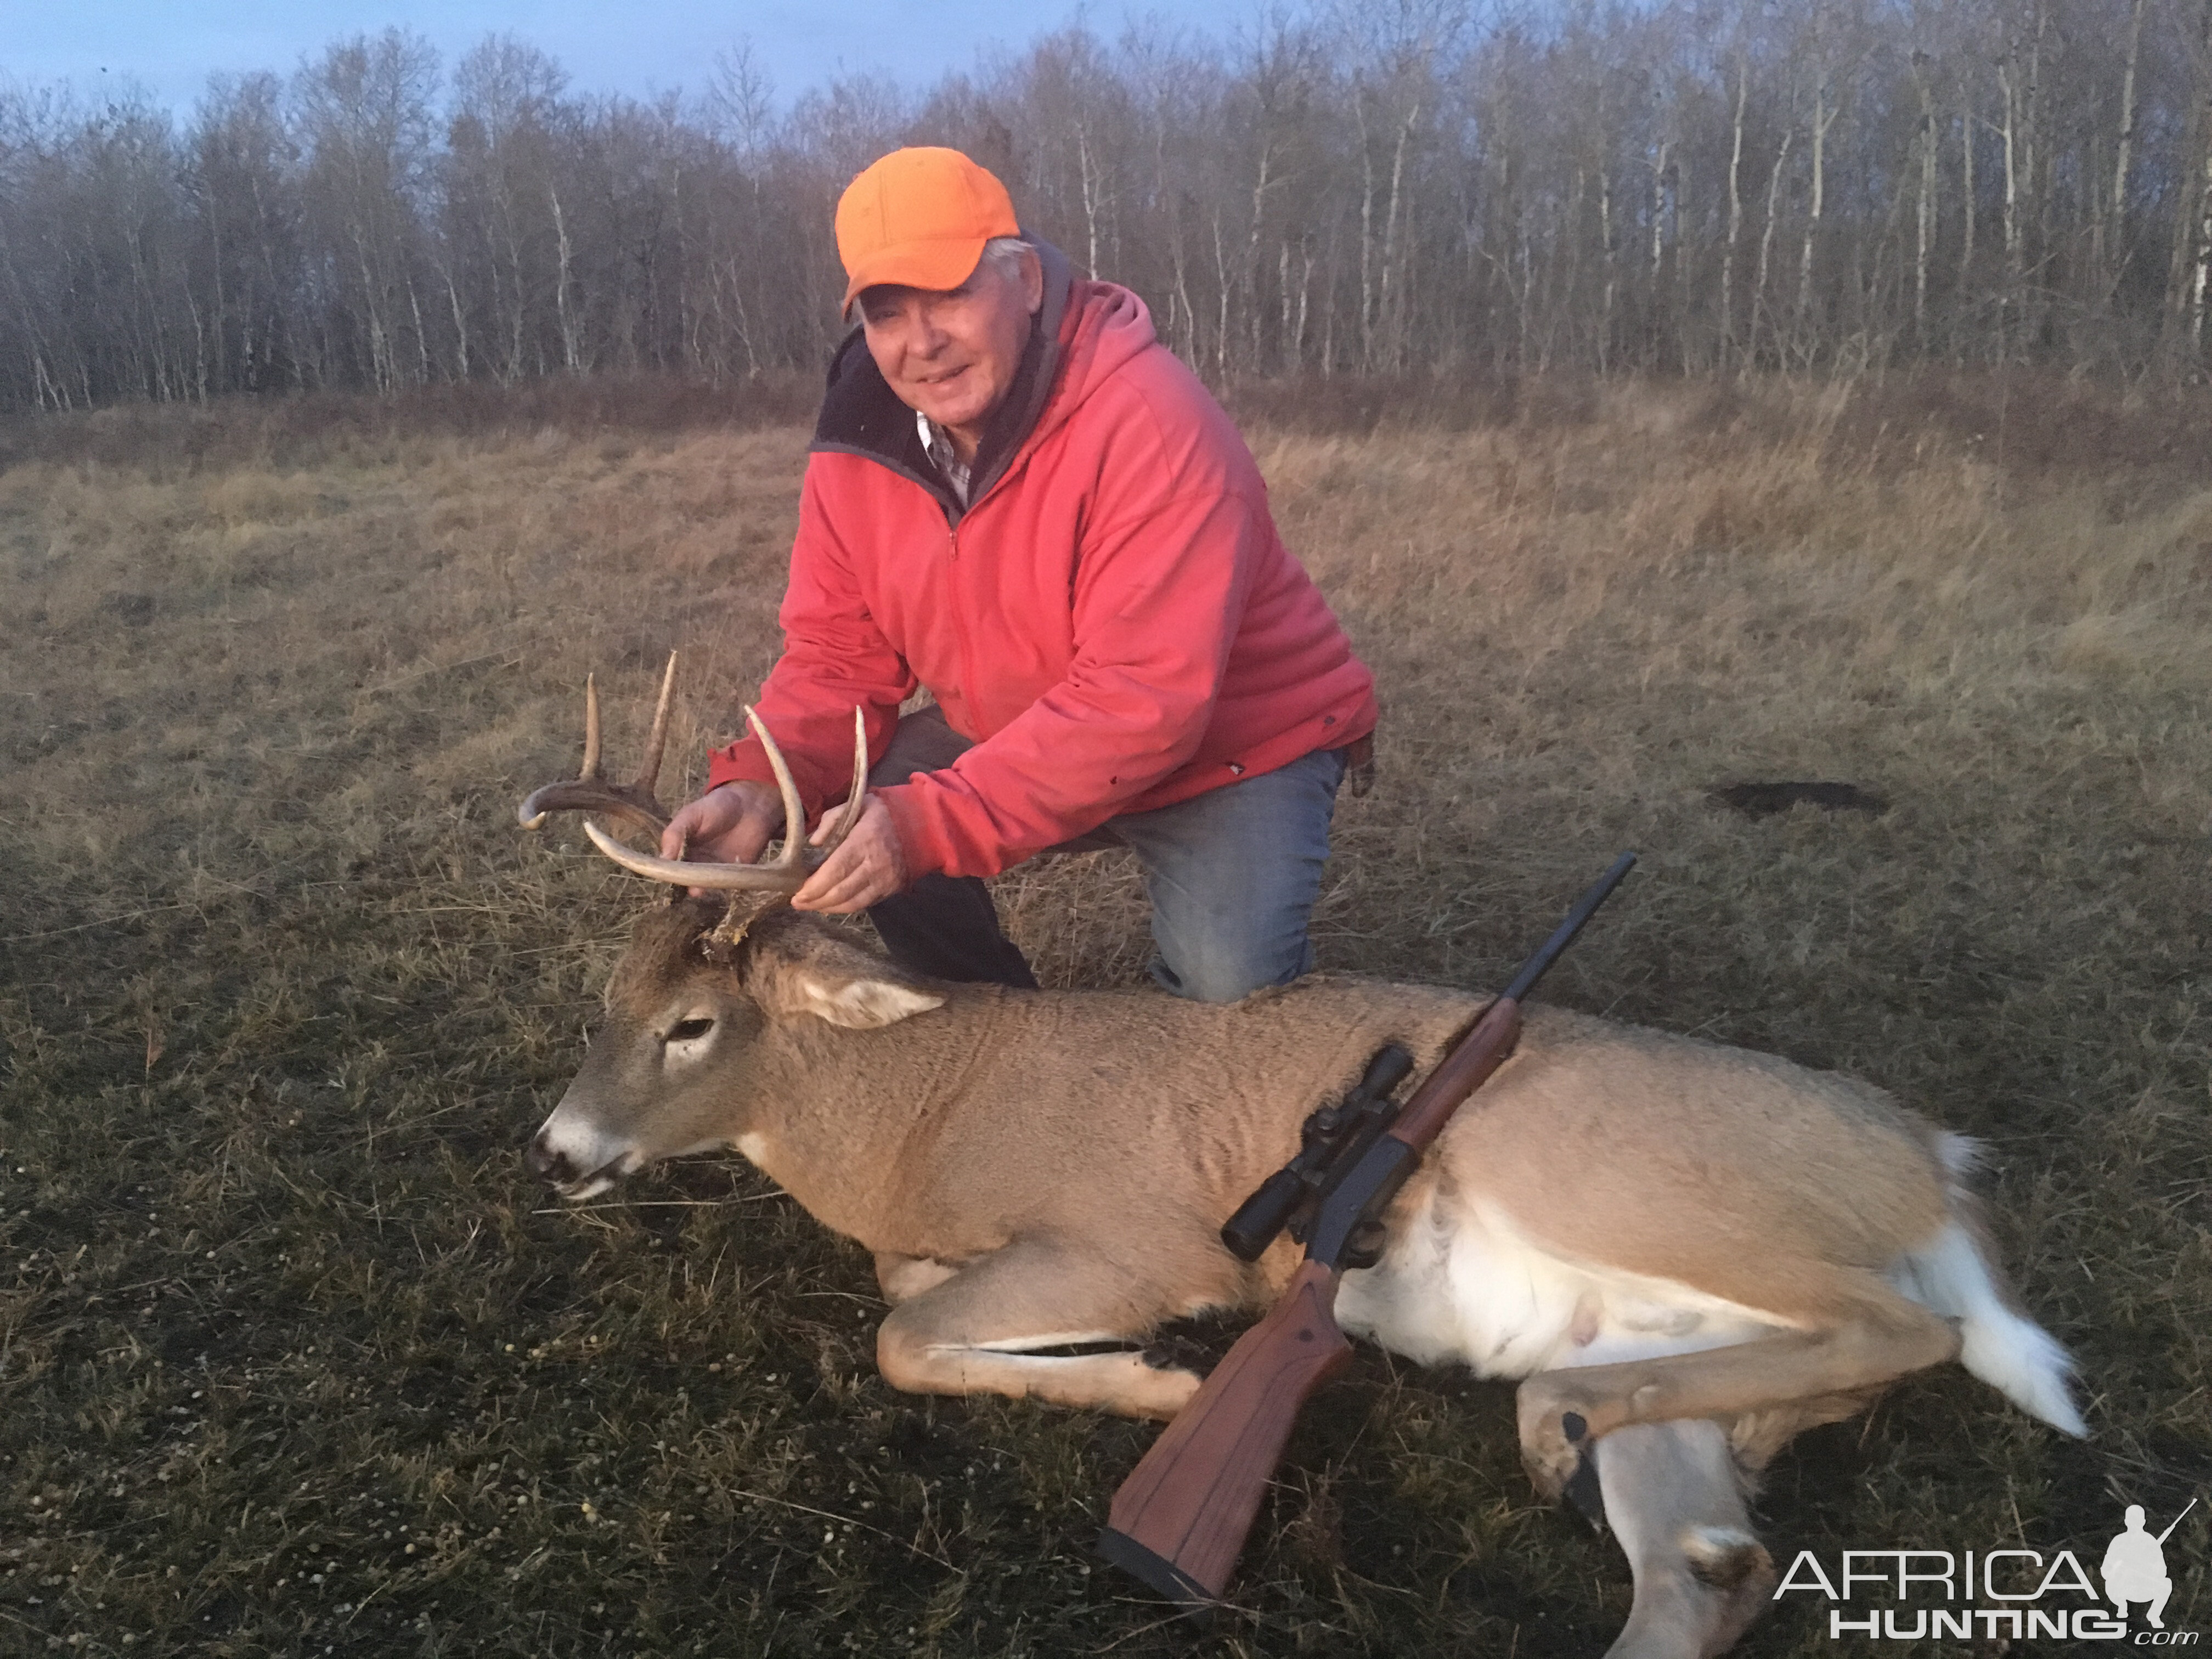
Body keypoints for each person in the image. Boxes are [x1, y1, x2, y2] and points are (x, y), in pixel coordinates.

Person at [660, 146, 1376, 1001]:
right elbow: (835, 656)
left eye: (953, 294)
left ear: (1028, 282)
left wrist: (928, 826)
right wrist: (761, 788)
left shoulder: (1148, 420)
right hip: (1032, 726)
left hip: (1239, 752)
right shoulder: (857, 448)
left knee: (1233, 998)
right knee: (866, 793)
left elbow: (1140, 703)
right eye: (888, 313)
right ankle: (982, 1018)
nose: (922, 344)